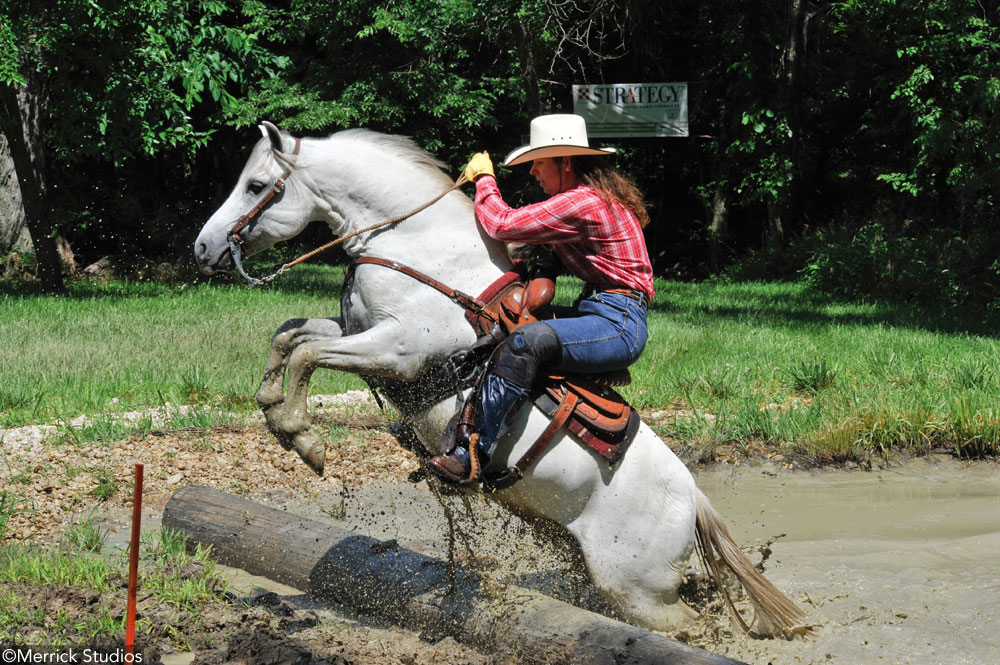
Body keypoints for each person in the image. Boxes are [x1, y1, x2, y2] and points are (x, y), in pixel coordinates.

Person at [428, 114, 655, 484]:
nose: (533, 171)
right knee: (498, 325)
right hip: (603, 313)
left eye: (539, 162)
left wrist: (484, 180)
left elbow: (502, 224)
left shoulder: (582, 202)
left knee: (525, 341)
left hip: (618, 323)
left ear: (565, 162)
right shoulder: (587, 200)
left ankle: (473, 452)